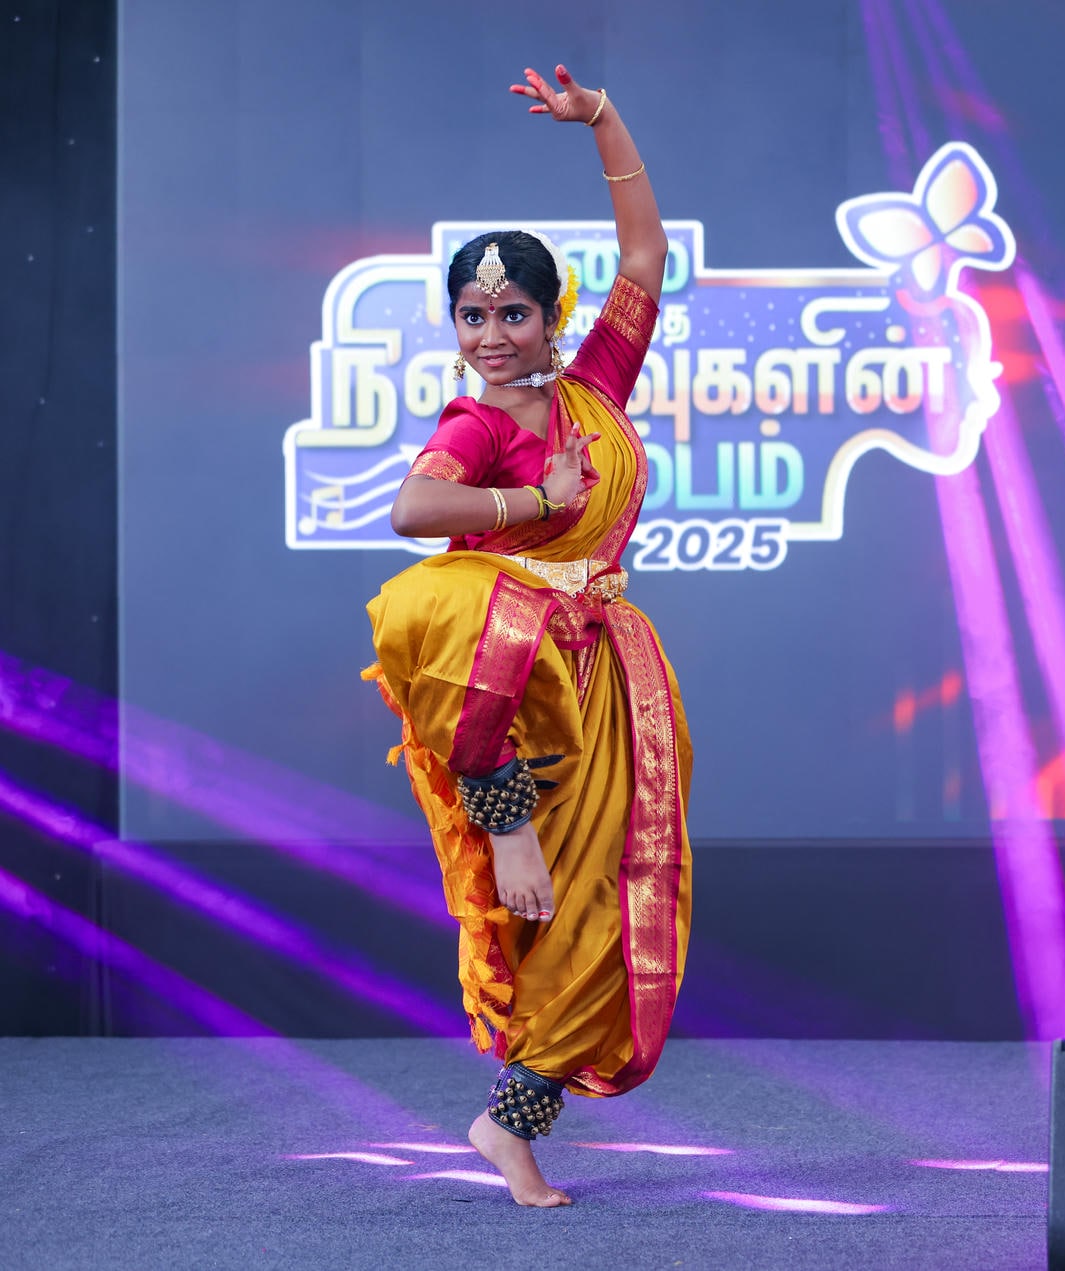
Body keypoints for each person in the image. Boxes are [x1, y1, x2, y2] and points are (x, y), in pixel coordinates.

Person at [363, 63, 690, 1206]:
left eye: (513, 312)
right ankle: (508, 836)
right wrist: (526, 503)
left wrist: (603, 119)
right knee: (544, 900)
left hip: (606, 676)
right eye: (472, 313)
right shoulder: (479, 419)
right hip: (517, 685)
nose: (492, 333)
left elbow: (643, 257)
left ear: (553, 318)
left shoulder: (594, 386)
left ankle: (511, 1122)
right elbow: (414, 510)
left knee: (602, 907)